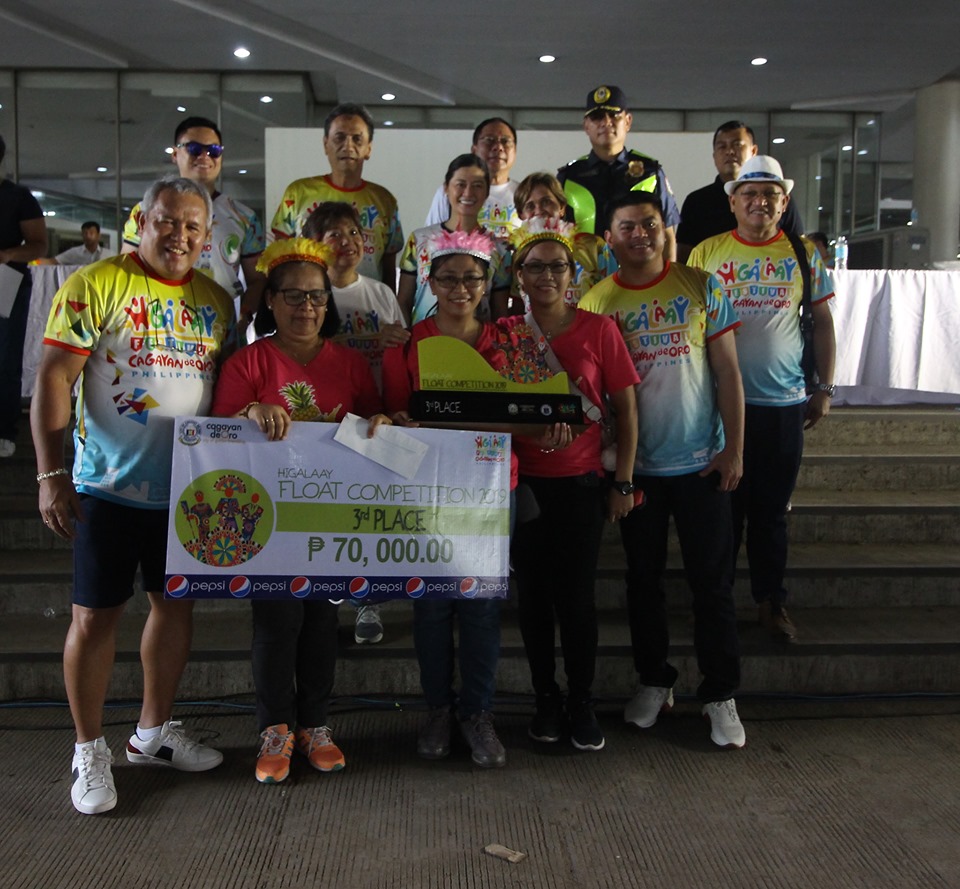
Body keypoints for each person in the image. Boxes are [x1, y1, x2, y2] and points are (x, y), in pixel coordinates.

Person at [30, 176, 235, 815]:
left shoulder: (215, 301)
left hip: (187, 490)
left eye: (192, 227)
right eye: (167, 222)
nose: (179, 236)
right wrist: (50, 474)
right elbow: (55, 377)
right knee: (94, 619)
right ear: (141, 221)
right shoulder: (94, 284)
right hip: (107, 487)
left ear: (206, 238)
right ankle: (89, 749)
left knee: (173, 610)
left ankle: (151, 735)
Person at [211, 237, 390, 784]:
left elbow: (373, 428)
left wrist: (382, 425)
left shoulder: (351, 364)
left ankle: (315, 724)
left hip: (333, 518)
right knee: (277, 621)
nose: (306, 307)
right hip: (269, 519)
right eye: (292, 296)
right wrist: (249, 409)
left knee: (321, 620)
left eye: (315, 297)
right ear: (271, 302)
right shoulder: (249, 362)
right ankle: (275, 727)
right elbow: (216, 437)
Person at [579, 192, 747, 750]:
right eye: (627, 226)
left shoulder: (701, 287)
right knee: (642, 583)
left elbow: (726, 372)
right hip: (639, 470)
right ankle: (655, 680)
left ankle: (720, 693)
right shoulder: (598, 302)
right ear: (610, 237)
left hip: (702, 464)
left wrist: (734, 451)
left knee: (711, 586)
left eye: (649, 224)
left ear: (664, 230)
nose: (639, 234)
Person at [384, 228, 538, 769]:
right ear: (429, 282)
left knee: (481, 607)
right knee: (429, 608)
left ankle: (477, 712)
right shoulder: (407, 343)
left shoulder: (510, 342)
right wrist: (403, 419)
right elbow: (395, 417)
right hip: (427, 489)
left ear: (486, 282)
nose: (459, 288)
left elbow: (533, 416)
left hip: (495, 490)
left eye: (471, 278)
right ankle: (437, 710)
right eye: (447, 278)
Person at [503, 217, 639, 752]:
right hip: (523, 485)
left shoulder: (599, 330)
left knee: (577, 600)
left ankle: (582, 703)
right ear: (518, 276)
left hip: (583, 483)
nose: (546, 276)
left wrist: (623, 483)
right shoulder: (507, 333)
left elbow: (627, 412)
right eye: (533, 267)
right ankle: (545, 699)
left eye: (557, 266)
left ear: (573, 273)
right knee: (533, 600)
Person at [688, 155, 836, 643]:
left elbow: (824, 324)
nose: (759, 202)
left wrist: (824, 388)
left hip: (782, 403)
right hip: (717, 406)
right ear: (732, 202)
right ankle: (719, 602)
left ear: (784, 202)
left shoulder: (802, 252)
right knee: (722, 513)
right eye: (749, 194)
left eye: (770, 194)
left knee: (771, 512)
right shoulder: (706, 252)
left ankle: (772, 603)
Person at [302, 201, 410, 646]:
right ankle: (325, 601)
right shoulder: (309, 292)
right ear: (314, 244)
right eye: (333, 235)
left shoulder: (380, 293)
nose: (346, 243)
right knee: (329, 515)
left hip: (373, 417)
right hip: (323, 419)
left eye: (352, 233)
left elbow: (403, 350)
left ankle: (370, 604)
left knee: (372, 516)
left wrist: (391, 343)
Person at [121, 116, 267, 337]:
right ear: (175, 154)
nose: (204, 156)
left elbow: (258, 280)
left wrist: (243, 318)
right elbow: (125, 268)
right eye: (194, 148)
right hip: (154, 325)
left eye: (214, 150)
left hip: (218, 326)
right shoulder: (145, 211)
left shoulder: (244, 217)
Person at [271, 102, 403, 292]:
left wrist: (390, 307)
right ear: (326, 144)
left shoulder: (385, 200)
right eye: (339, 137)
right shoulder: (298, 193)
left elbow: (388, 266)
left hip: (367, 307)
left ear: (369, 148)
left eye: (357, 139)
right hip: (309, 307)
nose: (348, 146)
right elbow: (279, 258)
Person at [557, 85, 680, 260]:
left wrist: (668, 280)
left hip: (640, 276)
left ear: (628, 121)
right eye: (597, 117)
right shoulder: (569, 176)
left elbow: (668, 235)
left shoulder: (650, 171)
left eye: (614, 115)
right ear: (586, 126)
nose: (606, 122)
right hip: (585, 279)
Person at [397, 154, 510, 324]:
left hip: (477, 346)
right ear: (446, 188)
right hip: (424, 342)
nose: (468, 192)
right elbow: (404, 302)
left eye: (477, 185)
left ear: (487, 192)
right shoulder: (420, 240)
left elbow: (500, 312)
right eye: (460, 184)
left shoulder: (500, 248)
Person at [676, 121, 805, 262]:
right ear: (732, 201)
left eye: (737, 145)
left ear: (753, 151)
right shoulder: (696, 202)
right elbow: (684, 258)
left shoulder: (776, 199)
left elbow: (799, 248)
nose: (729, 151)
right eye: (722, 146)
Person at [0, 133, 47, 458]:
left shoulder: (17, 197)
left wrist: (6, 255)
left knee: (5, 357)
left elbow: (39, 244)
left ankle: (4, 429)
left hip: (6, 281)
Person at [512, 172, 617, 308]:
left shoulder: (593, 246)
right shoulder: (519, 254)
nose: (539, 210)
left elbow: (615, 295)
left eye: (546, 202)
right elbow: (517, 307)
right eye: (530, 206)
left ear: (562, 207)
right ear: (521, 215)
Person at [424, 118, 521, 238]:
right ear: (474, 150)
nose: (498, 147)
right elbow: (432, 237)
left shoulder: (524, 194)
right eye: (489, 140)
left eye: (506, 141)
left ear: (515, 151)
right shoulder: (450, 192)